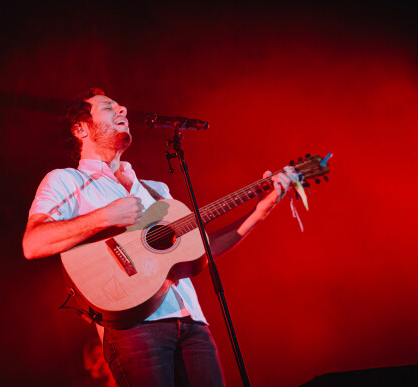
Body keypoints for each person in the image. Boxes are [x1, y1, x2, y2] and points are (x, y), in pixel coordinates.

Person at [22, 88, 295, 386]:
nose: (123, 109)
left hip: (193, 325)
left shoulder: (156, 191)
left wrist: (259, 212)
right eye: (108, 108)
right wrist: (104, 217)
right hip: (134, 328)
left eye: (121, 105)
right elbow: (33, 243)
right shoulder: (66, 180)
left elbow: (202, 251)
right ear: (80, 128)